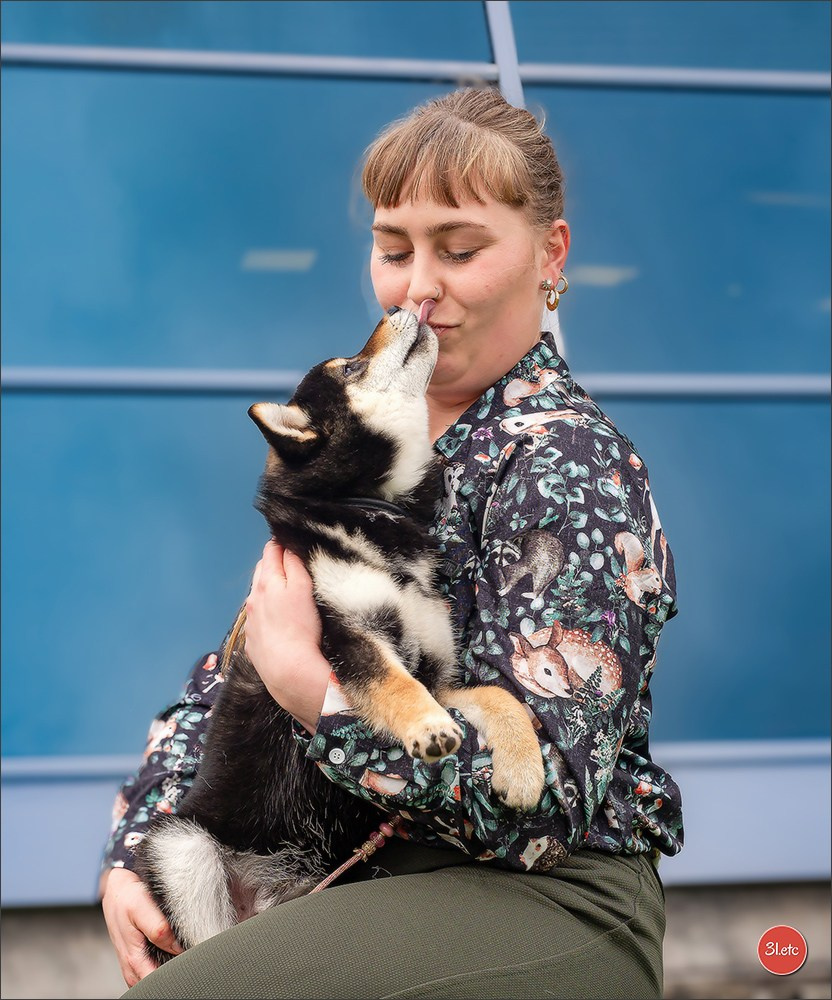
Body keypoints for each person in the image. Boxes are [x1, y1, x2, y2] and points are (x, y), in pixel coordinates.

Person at [100, 87, 682, 999]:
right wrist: (137, 848)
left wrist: (318, 697)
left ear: (550, 255)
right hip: (358, 878)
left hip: (539, 892)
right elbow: (231, 671)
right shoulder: (364, 452)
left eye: (460, 249)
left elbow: (544, 807)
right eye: (393, 248)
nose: (419, 288)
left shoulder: (572, 464)